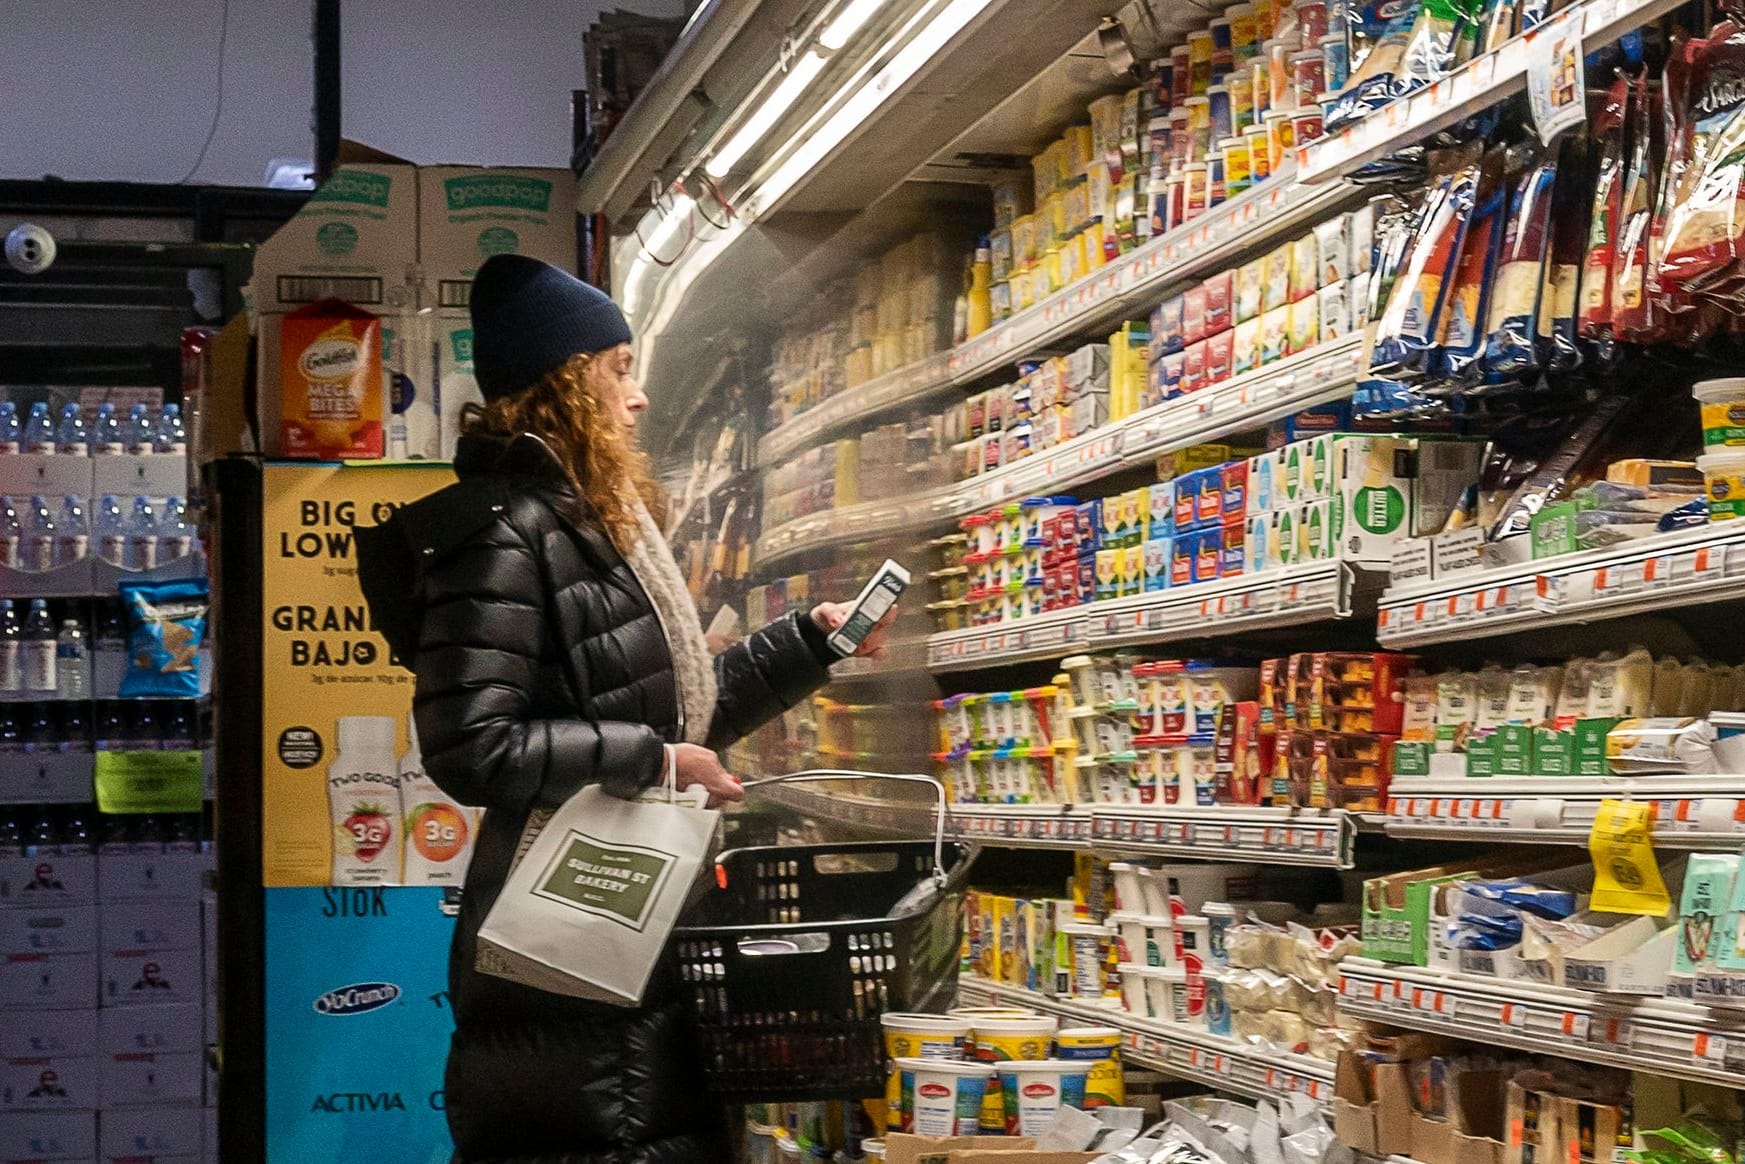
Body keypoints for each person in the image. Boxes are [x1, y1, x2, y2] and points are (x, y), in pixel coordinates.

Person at [356, 254, 885, 1163]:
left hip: (624, 920)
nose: (635, 398)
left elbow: (669, 711)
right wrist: (653, 761)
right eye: (618, 368)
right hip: (564, 947)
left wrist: (809, 644)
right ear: (564, 385)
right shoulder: (504, 529)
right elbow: (470, 744)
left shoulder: (588, 526)